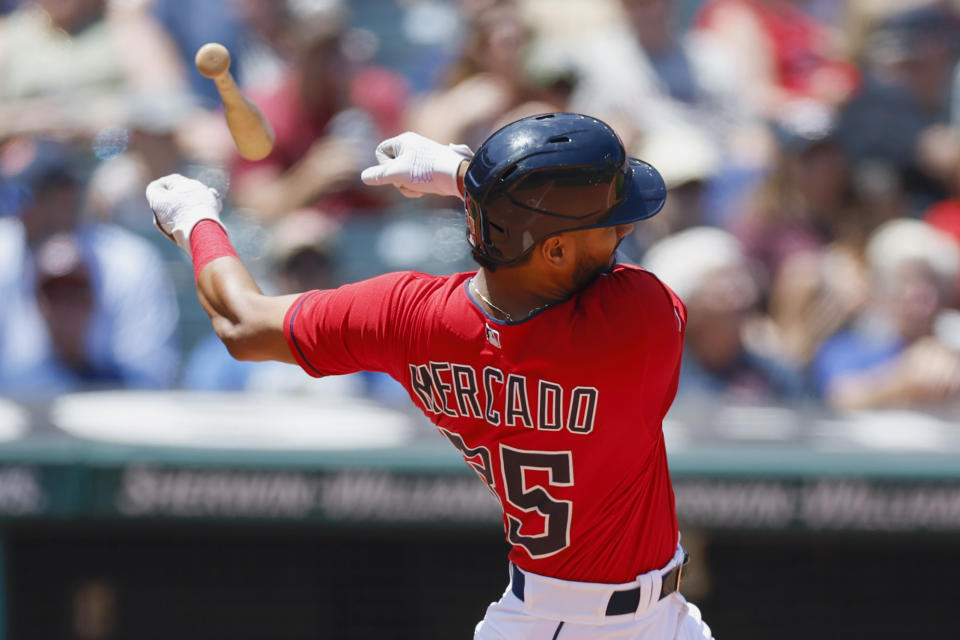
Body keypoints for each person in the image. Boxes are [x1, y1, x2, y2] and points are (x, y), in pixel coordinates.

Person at [146, 112, 712, 639]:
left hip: (599, 616)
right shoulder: (640, 320)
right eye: (608, 224)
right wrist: (458, 172)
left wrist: (198, 220)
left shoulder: (410, 318)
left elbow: (242, 322)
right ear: (557, 250)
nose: (623, 231)